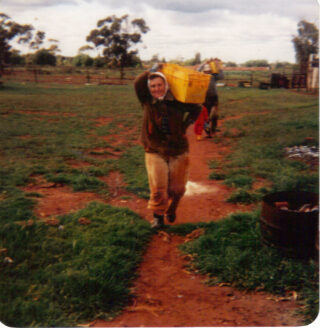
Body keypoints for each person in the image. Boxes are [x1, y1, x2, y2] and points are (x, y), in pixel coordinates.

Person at [134, 66, 201, 228]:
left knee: (177, 189)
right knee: (158, 187)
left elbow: (198, 108)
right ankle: (158, 218)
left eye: (159, 85)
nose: (156, 89)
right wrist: (151, 72)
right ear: (149, 89)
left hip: (178, 150)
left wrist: (186, 125)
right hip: (154, 149)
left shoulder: (178, 101)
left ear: (166, 85)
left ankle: (172, 208)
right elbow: (138, 83)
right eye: (153, 86)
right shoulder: (147, 101)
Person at [197, 58, 224, 137]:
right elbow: (197, 71)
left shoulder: (213, 76)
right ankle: (208, 131)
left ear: (211, 70)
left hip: (214, 98)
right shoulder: (201, 76)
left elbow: (222, 76)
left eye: (209, 70)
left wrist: (218, 66)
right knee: (206, 116)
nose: (207, 72)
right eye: (206, 71)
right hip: (205, 99)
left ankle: (213, 130)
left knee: (215, 115)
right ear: (204, 71)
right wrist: (204, 63)